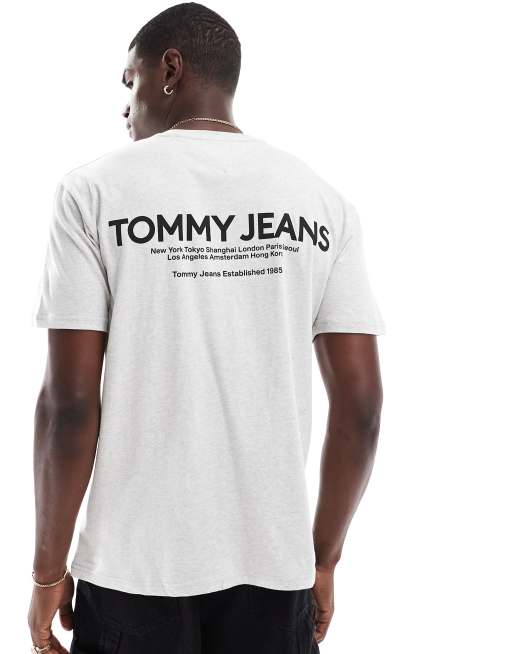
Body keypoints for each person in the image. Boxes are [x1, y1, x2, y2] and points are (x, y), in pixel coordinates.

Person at [27, 3, 385, 653]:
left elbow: (69, 406)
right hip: (274, 572)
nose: (125, 107)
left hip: (132, 569)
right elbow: (360, 407)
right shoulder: (321, 202)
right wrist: (323, 558)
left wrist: (48, 570)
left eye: (130, 81)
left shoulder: (92, 192)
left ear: (170, 69)